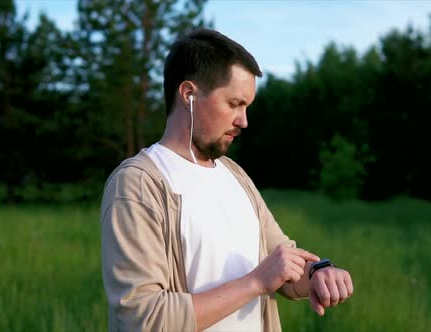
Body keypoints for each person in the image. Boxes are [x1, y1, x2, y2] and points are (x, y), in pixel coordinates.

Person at [100, 28, 353, 332]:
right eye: (234, 104)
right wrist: (255, 282)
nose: (243, 121)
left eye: (247, 106)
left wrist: (317, 273)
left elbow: (283, 265)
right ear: (189, 95)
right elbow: (143, 318)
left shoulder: (235, 175)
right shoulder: (138, 184)